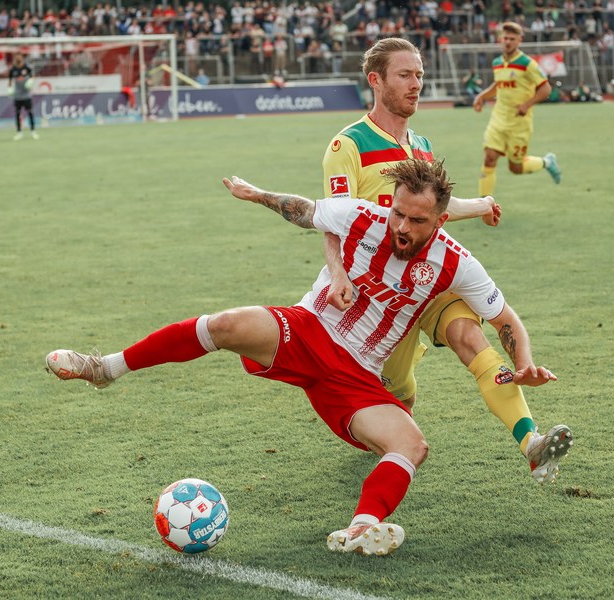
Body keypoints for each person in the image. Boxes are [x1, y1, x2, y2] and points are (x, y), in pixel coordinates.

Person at [46, 160, 572, 556]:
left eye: (417, 220)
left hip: (357, 375)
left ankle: (363, 527)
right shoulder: (364, 217)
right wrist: (257, 195)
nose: (402, 227)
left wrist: (524, 360)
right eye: (398, 213)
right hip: (306, 330)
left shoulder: (456, 262)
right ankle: (105, 368)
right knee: (226, 325)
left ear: (440, 219)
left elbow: (505, 318)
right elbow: (305, 210)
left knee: (412, 444)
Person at [322, 37, 556, 483]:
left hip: (428, 278)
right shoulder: (347, 145)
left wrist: (482, 204)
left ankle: (532, 443)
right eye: (405, 75)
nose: (416, 85)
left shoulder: (422, 144)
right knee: (399, 398)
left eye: (420, 75)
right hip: (379, 296)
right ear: (376, 80)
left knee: (470, 337)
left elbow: (433, 210)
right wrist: (337, 274)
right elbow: (333, 223)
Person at [473, 21, 561, 195]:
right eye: (505, 38)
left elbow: (546, 89)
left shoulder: (527, 63)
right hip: (498, 119)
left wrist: (527, 104)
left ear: (519, 40)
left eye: (512, 39)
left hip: (519, 123)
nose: (508, 42)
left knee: (515, 168)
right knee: (489, 158)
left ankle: (547, 162)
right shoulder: (497, 62)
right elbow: (499, 85)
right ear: (500, 39)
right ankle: (484, 204)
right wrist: (482, 96)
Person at [8, 52, 39, 141]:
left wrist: (30, 82)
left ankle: (33, 131)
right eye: (16, 57)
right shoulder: (12, 69)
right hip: (17, 96)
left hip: (26, 95)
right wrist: (9, 89)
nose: (18, 58)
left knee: (30, 113)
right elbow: (10, 81)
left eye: (19, 56)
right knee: (17, 114)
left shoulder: (27, 67)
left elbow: (33, 76)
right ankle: (19, 132)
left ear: (21, 58)